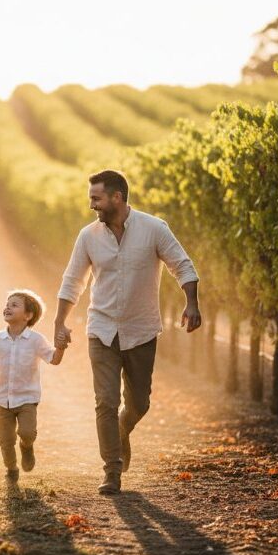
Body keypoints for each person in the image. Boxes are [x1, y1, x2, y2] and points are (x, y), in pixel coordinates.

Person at [54, 169, 200, 495]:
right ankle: (112, 471)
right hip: (102, 330)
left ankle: (125, 425)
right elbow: (72, 281)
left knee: (139, 403)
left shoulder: (154, 229)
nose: (92, 205)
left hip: (141, 330)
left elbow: (182, 264)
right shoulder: (88, 236)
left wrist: (191, 302)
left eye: (97, 198)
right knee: (104, 401)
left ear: (117, 197)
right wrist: (59, 321)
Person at [0, 290, 65, 482]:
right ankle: (11, 468)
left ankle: (27, 447)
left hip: (28, 399)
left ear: (28, 316)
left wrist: (61, 346)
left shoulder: (36, 340)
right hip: (3, 400)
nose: (7, 307)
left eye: (14, 305)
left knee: (27, 433)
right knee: (5, 441)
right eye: (7, 304)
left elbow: (54, 359)